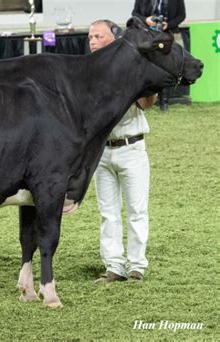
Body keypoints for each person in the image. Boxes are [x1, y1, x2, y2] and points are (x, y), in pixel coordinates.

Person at [88, 20, 156, 283]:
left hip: (132, 147)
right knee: (108, 212)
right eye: (90, 36)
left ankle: (137, 265)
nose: (92, 41)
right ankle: (114, 266)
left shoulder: (131, 68)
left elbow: (146, 104)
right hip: (103, 151)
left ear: (112, 39)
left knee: (137, 210)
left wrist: (145, 84)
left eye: (98, 36)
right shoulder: (88, 72)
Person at [132, 0, 186, 112]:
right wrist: (145, 20)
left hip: (169, 34)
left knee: (167, 69)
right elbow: (135, 13)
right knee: (145, 69)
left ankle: (164, 103)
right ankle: (144, 102)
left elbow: (182, 15)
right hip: (146, 35)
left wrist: (168, 24)